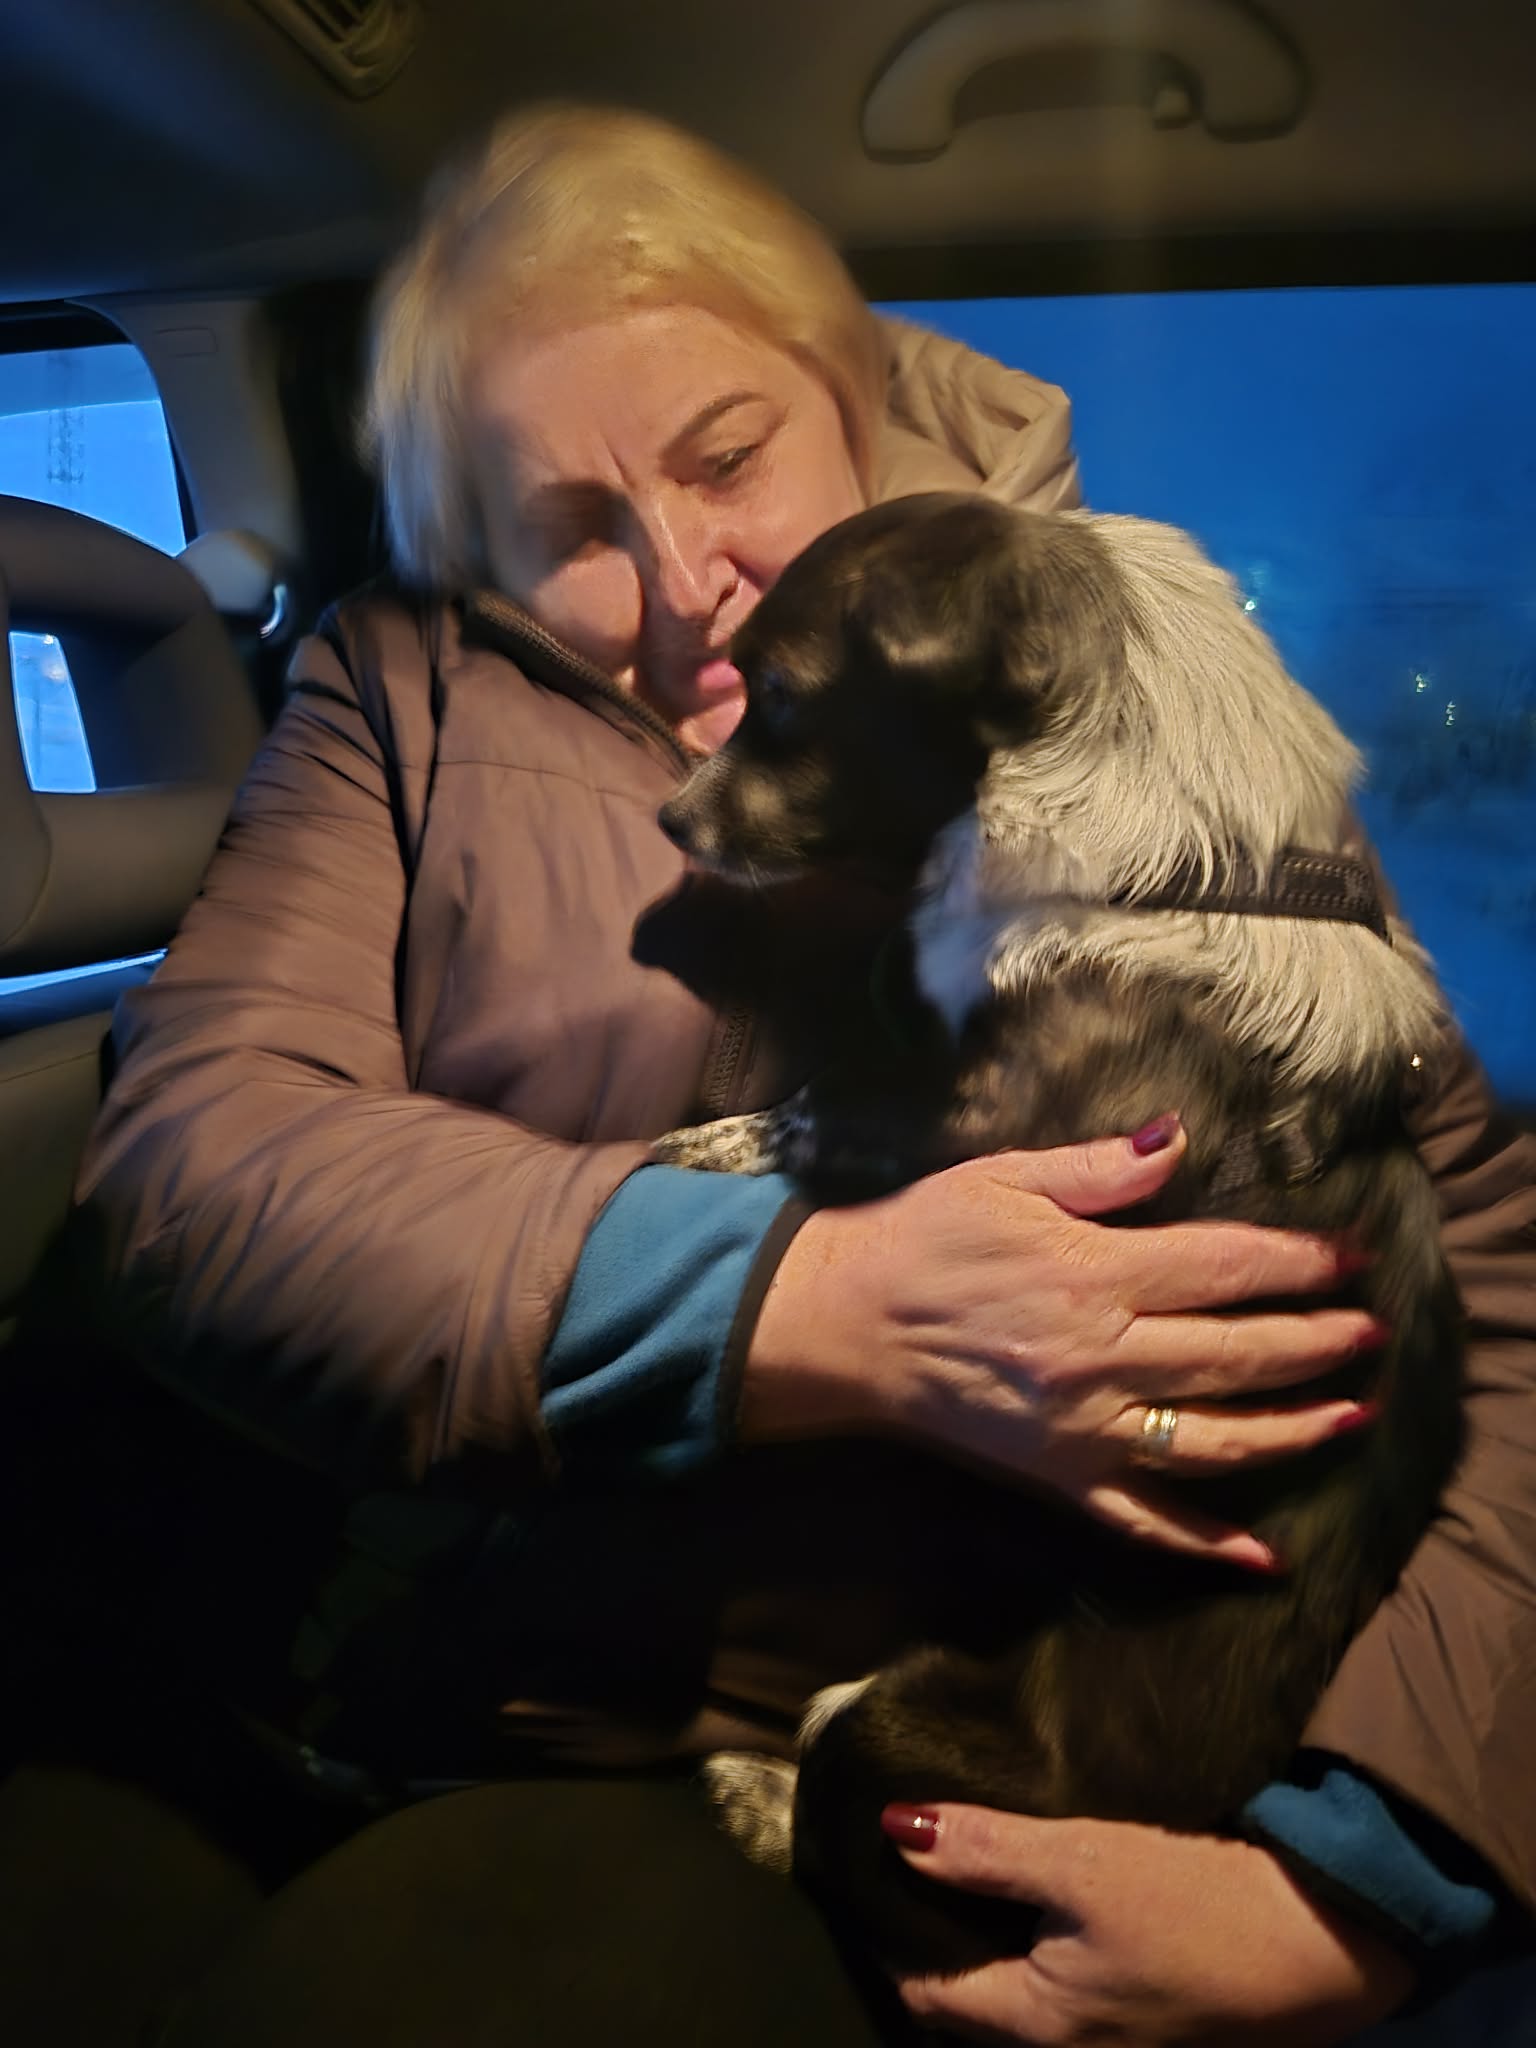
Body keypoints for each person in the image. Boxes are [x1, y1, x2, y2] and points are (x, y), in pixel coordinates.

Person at [69, 104, 1536, 2046]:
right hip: (486, 1698)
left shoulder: (1143, 716)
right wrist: (808, 1297)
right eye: (570, 529)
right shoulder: (393, 698)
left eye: (728, 455)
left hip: (947, 1732)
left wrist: (1364, 1872)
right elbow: (192, 1175)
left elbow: (1503, 1304)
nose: (693, 582)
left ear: (848, 396)